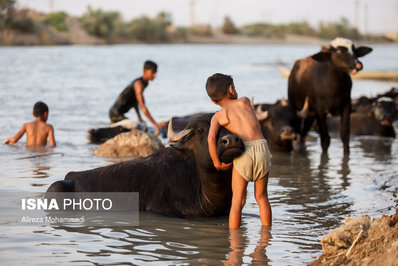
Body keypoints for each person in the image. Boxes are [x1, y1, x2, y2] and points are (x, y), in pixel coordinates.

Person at [206, 73, 272, 229]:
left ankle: (235, 243)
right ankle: (266, 238)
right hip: (262, 148)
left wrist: (217, 163)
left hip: (244, 153)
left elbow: (210, 139)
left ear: (212, 101)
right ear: (231, 89)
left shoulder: (219, 117)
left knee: (237, 201)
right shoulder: (245, 101)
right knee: (262, 197)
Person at [108, 60, 166, 135]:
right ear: (145, 71)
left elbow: (135, 102)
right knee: (136, 127)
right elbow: (142, 106)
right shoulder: (138, 85)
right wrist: (156, 124)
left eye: (155, 73)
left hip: (118, 114)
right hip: (115, 114)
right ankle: (109, 128)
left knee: (139, 125)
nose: (155, 75)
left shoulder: (145, 83)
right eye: (153, 72)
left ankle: (113, 125)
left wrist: (139, 117)